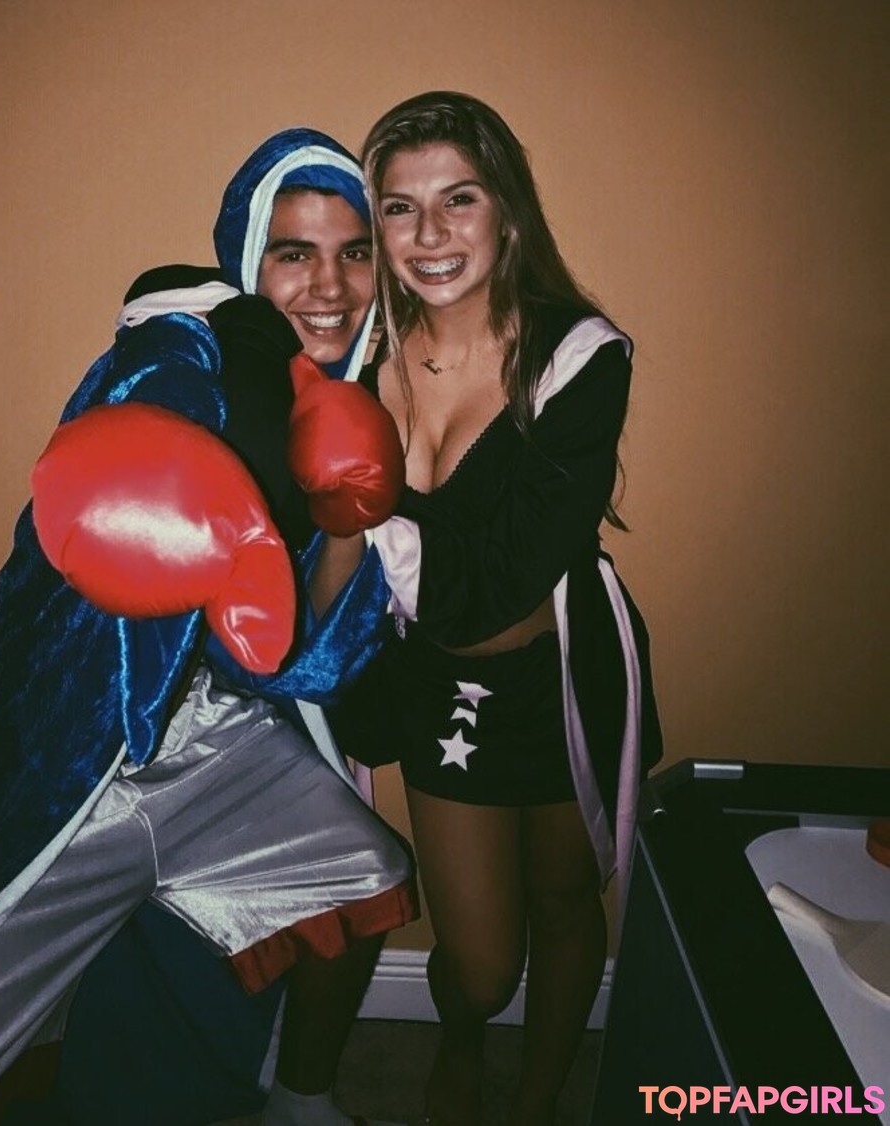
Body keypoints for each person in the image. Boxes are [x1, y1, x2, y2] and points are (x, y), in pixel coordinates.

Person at [0, 128, 416, 1126]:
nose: (330, 286)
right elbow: (147, 399)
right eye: (294, 252)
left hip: (215, 738)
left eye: (354, 252)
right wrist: (168, 462)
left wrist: (344, 522)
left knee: (365, 878)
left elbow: (304, 664)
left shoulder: (356, 405)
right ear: (249, 258)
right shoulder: (185, 340)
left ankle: (303, 1099)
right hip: (63, 741)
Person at [333, 91, 663, 1125]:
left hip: (562, 677)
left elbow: (501, 578)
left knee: (566, 901)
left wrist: (361, 513)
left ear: (507, 211)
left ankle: (538, 1097)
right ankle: (465, 1033)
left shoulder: (580, 355)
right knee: (478, 965)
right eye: (400, 207)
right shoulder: (357, 364)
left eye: (459, 199)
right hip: (445, 695)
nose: (430, 234)